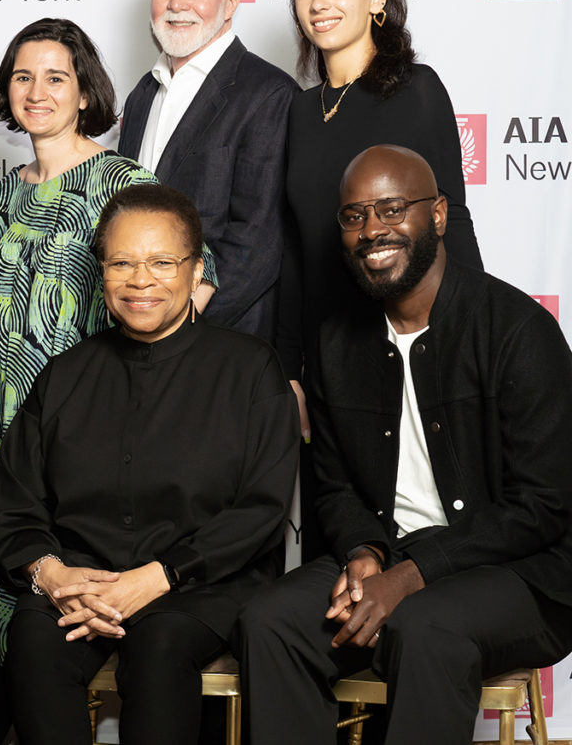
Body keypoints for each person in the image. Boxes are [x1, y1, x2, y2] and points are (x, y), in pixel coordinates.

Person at [240, 145, 572, 744]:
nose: (372, 231)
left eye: (393, 208)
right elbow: (334, 485)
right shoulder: (337, 342)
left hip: (521, 573)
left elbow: (545, 505)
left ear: (438, 215)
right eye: (354, 216)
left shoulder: (517, 331)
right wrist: (363, 551)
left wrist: (417, 572)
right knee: (272, 620)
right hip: (393, 554)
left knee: (424, 626)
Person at [0, 17, 217, 743]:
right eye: (22, 77)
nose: (36, 92)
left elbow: (192, 291)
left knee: (65, 620)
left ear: (85, 91)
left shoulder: (123, 181)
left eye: (56, 77)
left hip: (84, 443)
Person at [0, 183, 297, 745]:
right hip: (81, 579)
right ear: (100, 270)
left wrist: (158, 577)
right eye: (122, 263)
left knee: (158, 651)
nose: (140, 280)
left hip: (199, 587)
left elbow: (261, 508)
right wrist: (50, 575)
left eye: (161, 262)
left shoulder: (251, 370)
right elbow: (15, 501)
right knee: (34, 646)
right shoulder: (65, 373)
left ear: (197, 269)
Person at [276, 0, 483, 556]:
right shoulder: (301, 111)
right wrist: (290, 370)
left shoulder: (415, 93)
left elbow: (454, 228)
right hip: (327, 364)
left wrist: (467, 353)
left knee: (426, 557)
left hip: (410, 353)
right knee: (336, 562)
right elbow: (294, 249)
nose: (318, 1)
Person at [119, 0, 296, 342]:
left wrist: (180, 324)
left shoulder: (268, 93)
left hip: (221, 343)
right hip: (136, 336)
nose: (177, 4)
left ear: (230, 2)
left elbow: (257, 241)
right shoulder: (141, 96)